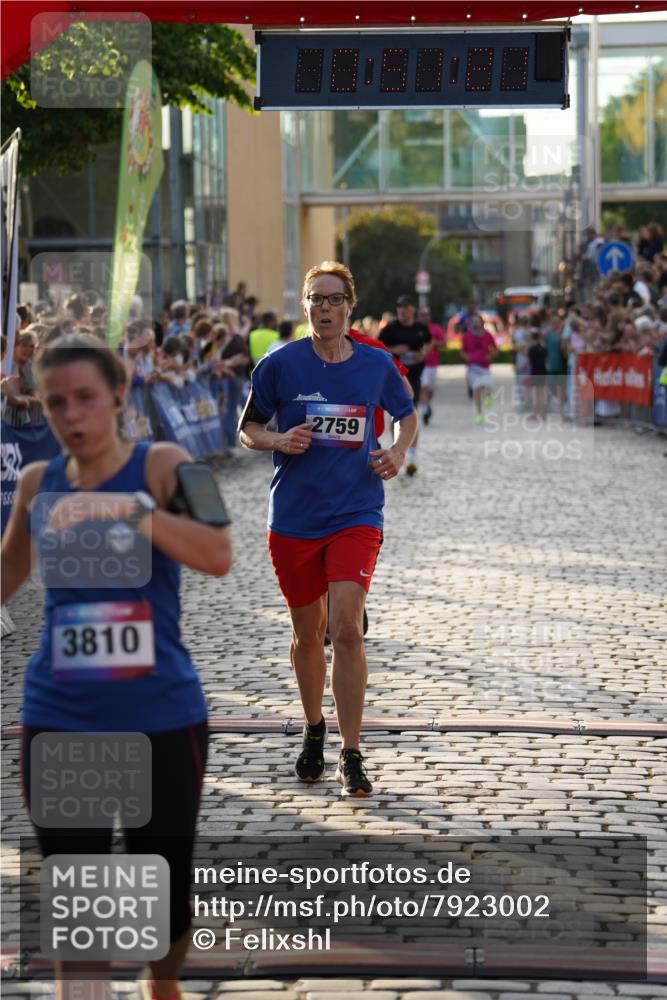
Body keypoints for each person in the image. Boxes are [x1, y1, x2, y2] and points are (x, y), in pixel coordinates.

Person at [1, 333, 232, 1000]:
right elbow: (10, 570)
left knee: (163, 898)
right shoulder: (39, 482)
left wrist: (130, 512)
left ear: (120, 397)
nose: (71, 416)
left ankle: (163, 987)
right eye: (53, 404)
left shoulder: (170, 463)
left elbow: (219, 554)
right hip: (59, 715)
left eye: (85, 399)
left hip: (160, 716)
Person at [239, 261, 417, 797]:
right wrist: (277, 441)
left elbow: (407, 414)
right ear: (305, 306)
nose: (324, 308)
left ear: (349, 306)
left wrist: (398, 451)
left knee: (345, 628)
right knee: (307, 633)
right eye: (315, 299)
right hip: (294, 517)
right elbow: (247, 429)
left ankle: (352, 750)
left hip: (356, 513)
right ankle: (314, 728)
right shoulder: (279, 364)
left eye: (334, 299)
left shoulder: (375, 364)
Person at [379, 295, 430, 475]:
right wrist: (394, 351)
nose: (402, 310)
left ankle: (412, 456)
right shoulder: (389, 329)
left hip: (414, 376)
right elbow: (377, 349)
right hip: (392, 379)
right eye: (400, 307)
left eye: (406, 307)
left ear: (412, 310)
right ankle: (397, 450)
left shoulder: (421, 328)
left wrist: (422, 355)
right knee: (395, 417)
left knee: (410, 414)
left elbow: (429, 345)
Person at [461, 314, 497, 423]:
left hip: (485, 366)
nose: (475, 323)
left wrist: (491, 355)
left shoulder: (487, 335)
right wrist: (466, 357)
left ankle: (487, 397)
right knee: (476, 389)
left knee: (488, 385)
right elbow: (462, 351)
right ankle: (479, 413)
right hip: (473, 367)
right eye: (473, 321)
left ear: (481, 323)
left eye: (477, 321)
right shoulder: (466, 336)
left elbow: (495, 349)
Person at [417, 306, 445, 425]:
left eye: (426, 315)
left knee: (430, 390)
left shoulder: (436, 328)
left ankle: (426, 404)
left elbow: (444, 344)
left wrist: (434, 343)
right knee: (424, 387)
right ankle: (425, 411)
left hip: (433, 363)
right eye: (422, 315)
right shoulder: (415, 329)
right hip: (420, 364)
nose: (424, 317)